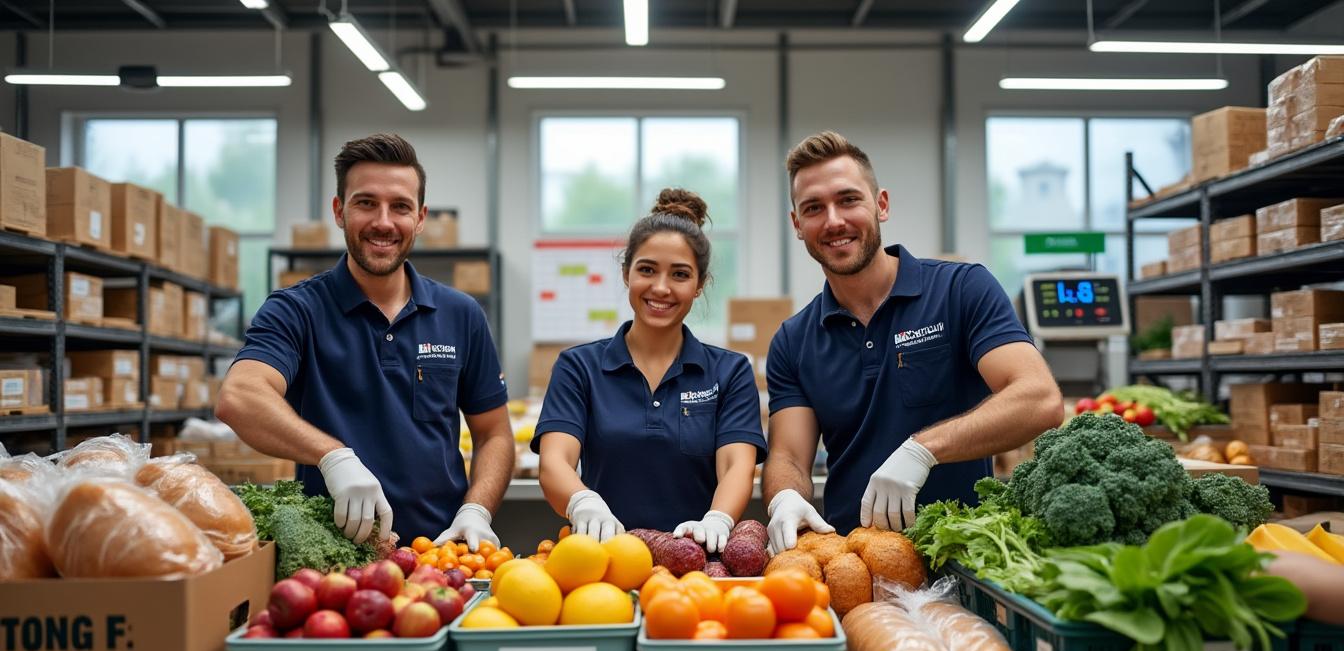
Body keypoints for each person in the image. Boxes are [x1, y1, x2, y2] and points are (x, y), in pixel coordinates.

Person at [762, 130, 1063, 554]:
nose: (833, 221)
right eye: (813, 208)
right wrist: (784, 497)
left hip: (968, 554)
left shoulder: (961, 291)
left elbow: (1039, 400)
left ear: (881, 204)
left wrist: (923, 451)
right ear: (797, 225)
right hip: (855, 562)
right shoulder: (794, 340)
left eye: (849, 200)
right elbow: (789, 456)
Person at [217, 133, 513, 551]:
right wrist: (332, 455)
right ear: (339, 211)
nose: (384, 222)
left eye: (401, 207)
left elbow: (494, 434)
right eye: (366, 203)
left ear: (421, 217)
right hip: (332, 562)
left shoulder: (461, 315)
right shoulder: (297, 310)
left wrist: (476, 509)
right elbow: (240, 396)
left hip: (441, 555)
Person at [532, 189, 766, 548]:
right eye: (646, 270)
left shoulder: (729, 371)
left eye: (680, 274)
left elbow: (736, 465)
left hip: (697, 567)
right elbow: (555, 460)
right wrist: (582, 502)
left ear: (699, 285)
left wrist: (717, 519)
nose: (661, 288)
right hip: (606, 563)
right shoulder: (579, 367)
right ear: (626, 273)